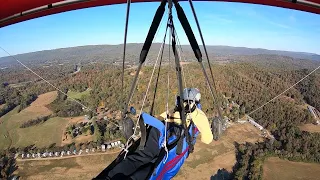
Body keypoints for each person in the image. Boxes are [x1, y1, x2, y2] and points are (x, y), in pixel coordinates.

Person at [104, 88, 212, 180]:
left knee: (139, 157)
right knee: (153, 167)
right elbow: (207, 139)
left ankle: (110, 177)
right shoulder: (199, 115)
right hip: (173, 142)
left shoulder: (175, 108)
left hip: (159, 132)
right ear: (197, 100)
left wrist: (143, 117)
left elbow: (160, 119)